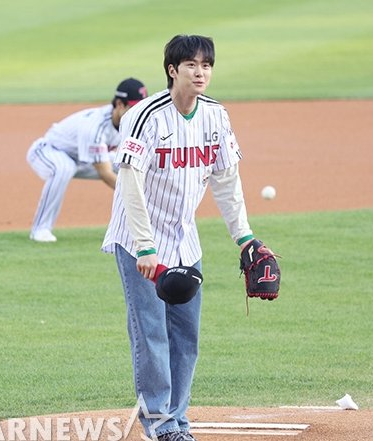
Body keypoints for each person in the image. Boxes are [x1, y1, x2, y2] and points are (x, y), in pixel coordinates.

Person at [102, 35, 255, 441]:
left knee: (186, 336)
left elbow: (226, 179)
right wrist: (146, 246)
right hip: (139, 241)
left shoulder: (216, 116)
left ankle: (177, 418)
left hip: (185, 241)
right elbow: (129, 184)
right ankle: (160, 423)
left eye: (206, 65)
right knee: (151, 331)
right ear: (172, 70)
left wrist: (245, 238)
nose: (200, 72)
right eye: (191, 64)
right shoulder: (145, 116)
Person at [26, 78, 147, 242]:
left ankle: (150, 220)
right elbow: (105, 173)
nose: (137, 112)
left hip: (83, 160)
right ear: (119, 104)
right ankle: (40, 229)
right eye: (133, 107)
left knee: (132, 165)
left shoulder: (133, 122)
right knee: (64, 168)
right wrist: (133, 196)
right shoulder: (95, 127)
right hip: (48, 151)